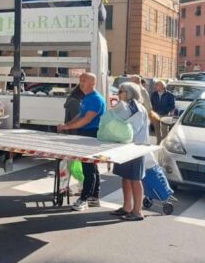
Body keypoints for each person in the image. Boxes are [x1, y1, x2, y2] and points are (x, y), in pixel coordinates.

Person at [56, 72, 106, 211]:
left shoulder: (95, 99)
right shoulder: (87, 97)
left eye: (84, 80)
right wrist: (68, 124)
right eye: (80, 80)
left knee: (88, 168)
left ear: (92, 83)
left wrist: (67, 127)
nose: (81, 83)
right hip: (85, 134)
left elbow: (86, 120)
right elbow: (80, 115)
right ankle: (94, 197)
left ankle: (84, 199)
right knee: (91, 167)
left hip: (92, 134)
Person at [109, 82, 150, 221]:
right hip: (125, 147)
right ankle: (127, 207)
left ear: (129, 93)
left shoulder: (136, 108)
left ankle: (137, 212)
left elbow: (131, 130)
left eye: (121, 91)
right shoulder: (126, 106)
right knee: (125, 178)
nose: (118, 94)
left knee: (135, 179)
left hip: (135, 148)